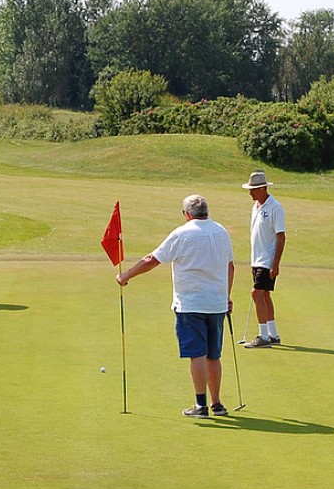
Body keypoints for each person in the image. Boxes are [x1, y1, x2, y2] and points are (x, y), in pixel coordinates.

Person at [116, 194, 234, 419]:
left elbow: (153, 259)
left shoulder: (182, 233)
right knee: (213, 355)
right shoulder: (221, 231)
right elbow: (230, 267)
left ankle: (201, 406)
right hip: (217, 304)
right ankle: (217, 403)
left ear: (187, 214)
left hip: (191, 304)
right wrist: (226, 296)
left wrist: (126, 275)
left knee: (197, 354)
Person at [241, 169, 286, 348]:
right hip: (257, 258)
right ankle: (273, 334)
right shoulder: (256, 206)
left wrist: (275, 264)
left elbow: (281, 237)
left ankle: (263, 337)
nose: (250, 192)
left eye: (253, 189)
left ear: (263, 188)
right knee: (265, 295)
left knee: (256, 293)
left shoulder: (275, 207)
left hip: (267, 259)